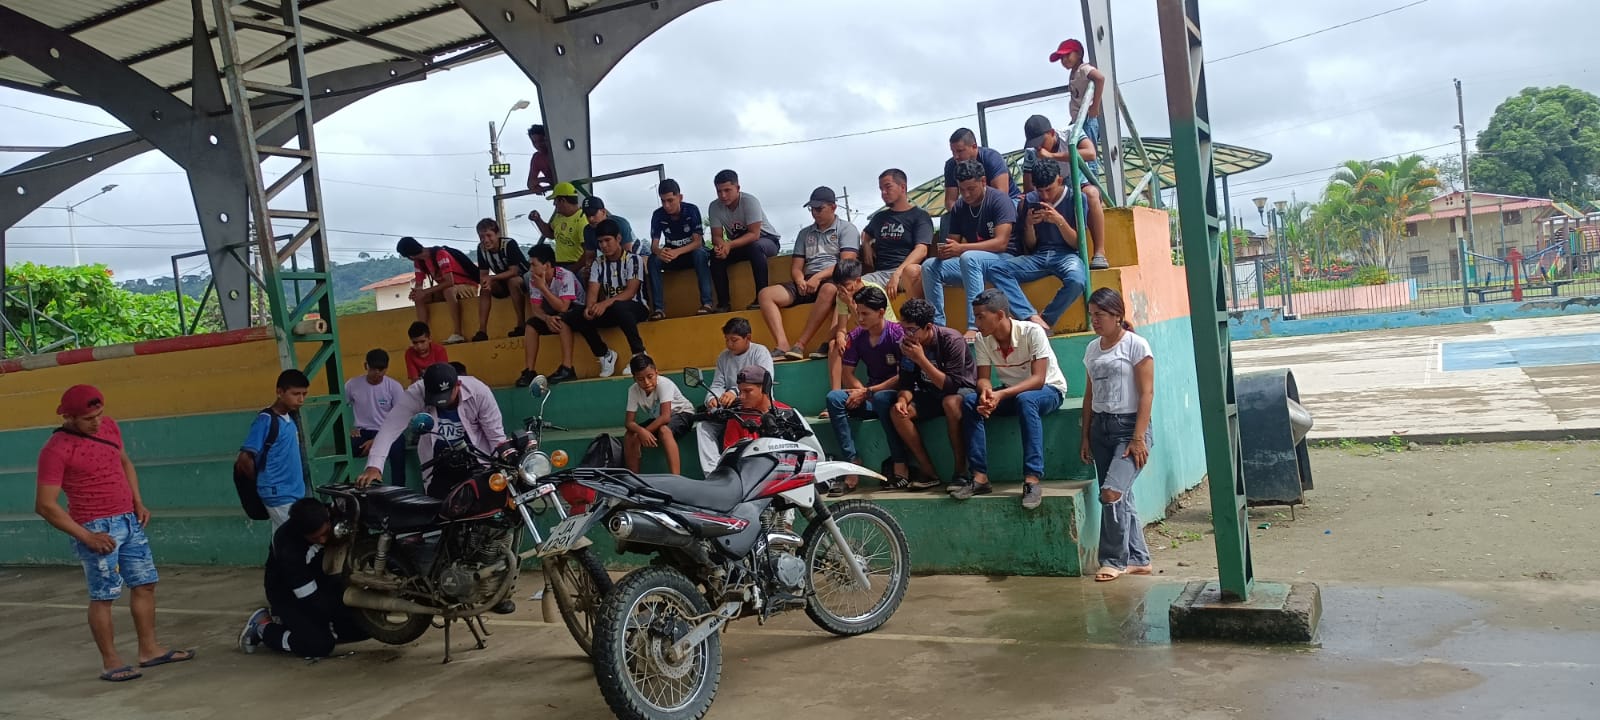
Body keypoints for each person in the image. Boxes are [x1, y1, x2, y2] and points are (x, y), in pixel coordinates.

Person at [35, 385, 194, 681]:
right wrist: (86, 537)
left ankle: (149, 650)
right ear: (68, 417)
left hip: (129, 519)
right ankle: (111, 662)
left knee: (145, 583)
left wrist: (137, 501)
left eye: (99, 414)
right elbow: (45, 505)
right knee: (104, 595)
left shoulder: (109, 427)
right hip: (95, 527)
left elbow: (124, 462)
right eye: (88, 419)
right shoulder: (56, 449)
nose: (96, 422)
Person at [954, 290, 1070, 510]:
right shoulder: (982, 339)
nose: (976, 323)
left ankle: (1032, 480)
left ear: (999, 315)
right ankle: (979, 477)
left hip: (1048, 390)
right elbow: (983, 378)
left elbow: (1038, 380)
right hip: (1011, 393)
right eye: (975, 317)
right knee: (970, 402)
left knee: (1026, 400)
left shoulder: (1032, 331)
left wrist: (1001, 395)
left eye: (980, 317)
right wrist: (987, 393)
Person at [1080, 287, 1155, 582]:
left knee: (1111, 493)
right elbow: (1089, 395)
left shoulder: (1136, 345)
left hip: (1130, 429)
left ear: (1117, 315)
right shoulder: (1092, 349)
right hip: (1100, 428)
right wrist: (1085, 436)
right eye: (1092, 315)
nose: (1095, 321)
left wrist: (1138, 437)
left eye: (1100, 314)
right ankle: (1138, 558)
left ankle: (1112, 559)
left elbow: (1147, 393)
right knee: (1121, 496)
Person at [238, 498, 369, 658]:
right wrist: (332, 616)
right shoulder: (288, 549)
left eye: (325, 533)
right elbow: (311, 599)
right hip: (289, 595)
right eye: (315, 538)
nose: (322, 540)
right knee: (318, 645)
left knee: (366, 626)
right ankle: (263, 628)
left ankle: (316, 628)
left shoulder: (330, 513)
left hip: (323, 582)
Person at [357, 363, 507, 499]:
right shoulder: (416, 393)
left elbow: (496, 436)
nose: (441, 403)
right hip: (438, 464)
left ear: (458, 385)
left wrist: (503, 464)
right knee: (438, 508)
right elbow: (390, 427)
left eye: (446, 397)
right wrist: (374, 466)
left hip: (476, 461)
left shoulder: (479, 392)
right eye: (436, 398)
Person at [822, 287, 908, 496]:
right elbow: (847, 371)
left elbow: (903, 377)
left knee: (882, 398)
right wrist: (860, 392)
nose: (859, 318)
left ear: (881, 312)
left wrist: (867, 392)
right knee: (834, 398)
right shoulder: (857, 335)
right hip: (869, 395)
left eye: (865, 314)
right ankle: (852, 462)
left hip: (893, 395)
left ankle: (900, 463)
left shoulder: (897, 334)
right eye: (858, 313)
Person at [990, 155, 1090, 334]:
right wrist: (1029, 225)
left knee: (1077, 280)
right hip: (1039, 256)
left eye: (1049, 190)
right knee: (997, 269)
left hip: (1067, 255)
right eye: (1040, 190)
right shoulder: (1030, 200)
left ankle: (1046, 320)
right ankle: (1031, 317)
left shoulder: (1076, 198)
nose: (1044, 196)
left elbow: (1077, 244)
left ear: (1059, 181)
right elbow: (1030, 246)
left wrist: (1059, 221)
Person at [760, 186, 859, 361]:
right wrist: (799, 280)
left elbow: (846, 263)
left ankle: (800, 345)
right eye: (812, 209)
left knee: (829, 289)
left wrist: (818, 277)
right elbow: (796, 266)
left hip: (834, 278)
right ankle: (782, 346)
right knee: (766, 294)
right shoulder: (804, 233)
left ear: (833, 207)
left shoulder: (847, 229)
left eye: (819, 209)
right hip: (807, 280)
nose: (815, 213)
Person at [923, 159, 1018, 340]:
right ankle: (937, 327)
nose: (966, 194)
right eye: (962, 189)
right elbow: (953, 242)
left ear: (983, 181)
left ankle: (974, 326)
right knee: (929, 266)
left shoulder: (999, 200)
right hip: (972, 264)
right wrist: (945, 251)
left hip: (1004, 260)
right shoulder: (959, 206)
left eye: (971, 189)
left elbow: (1001, 243)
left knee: (969, 257)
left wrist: (961, 248)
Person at [888, 299, 977, 493]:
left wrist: (921, 359)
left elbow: (951, 385)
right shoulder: (907, 345)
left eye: (911, 330)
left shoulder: (951, 340)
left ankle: (961, 472)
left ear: (928, 327)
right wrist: (902, 400)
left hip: (961, 392)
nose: (906, 335)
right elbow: (906, 383)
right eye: (903, 329)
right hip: (931, 394)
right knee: (898, 412)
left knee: (950, 402)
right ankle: (929, 472)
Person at [1021, 114, 1108, 270]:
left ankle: (1099, 252)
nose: (1039, 148)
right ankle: (1033, 253)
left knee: (1091, 194)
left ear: (1052, 133)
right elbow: (1028, 187)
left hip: (1078, 184)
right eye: (1035, 144)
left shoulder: (1071, 134)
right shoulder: (1031, 152)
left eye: (1041, 142)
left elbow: (1091, 153)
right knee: (1024, 201)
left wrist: (1053, 156)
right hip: (1051, 192)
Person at [565, 219, 648, 378]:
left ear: (618, 238)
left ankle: (639, 354)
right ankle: (604, 354)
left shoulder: (633, 259)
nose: (603, 245)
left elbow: (630, 292)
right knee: (575, 315)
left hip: (636, 308)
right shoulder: (598, 263)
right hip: (612, 309)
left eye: (607, 240)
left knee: (619, 306)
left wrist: (604, 304)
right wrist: (589, 308)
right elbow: (592, 291)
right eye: (600, 242)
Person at [235, 370, 310, 529]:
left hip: (293, 492)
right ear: (279, 392)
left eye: (304, 394)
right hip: (279, 494)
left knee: (281, 539)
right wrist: (263, 482)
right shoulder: (266, 420)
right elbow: (244, 459)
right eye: (295, 394)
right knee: (298, 537)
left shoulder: (290, 418)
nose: (301, 399)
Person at [707, 169, 782, 312]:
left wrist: (729, 244)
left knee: (755, 247)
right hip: (739, 244)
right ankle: (723, 303)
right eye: (719, 191)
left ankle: (761, 297)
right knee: (714, 255)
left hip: (766, 240)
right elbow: (716, 236)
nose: (723, 195)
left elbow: (754, 234)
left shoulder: (749, 201)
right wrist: (721, 247)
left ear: (737, 188)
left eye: (727, 190)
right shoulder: (714, 206)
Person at [861, 168, 933, 299]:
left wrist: (898, 273)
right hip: (881, 274)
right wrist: (866, 245)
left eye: (888, 187)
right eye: (881, 189)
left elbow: (922, 250)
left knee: (912, 271)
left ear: (902, 187)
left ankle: (917, 312)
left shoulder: (920, 216)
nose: (883, 193)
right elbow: (866, 233)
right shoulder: (879, 217)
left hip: (906, 273)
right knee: (852, 287)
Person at [648, 178, 714, 319]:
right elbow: (654, 246)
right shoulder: (658, 214)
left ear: (680, 197)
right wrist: (660, 252)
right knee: (653, 260)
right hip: (672, 256)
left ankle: (707, 303)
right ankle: (658, 309)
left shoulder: (691, 210)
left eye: (670, 200)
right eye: (663, 201)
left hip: (690, 254)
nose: (666, 205)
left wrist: (677, 251)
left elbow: (697, 242)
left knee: (700, 254)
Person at [622, 354, 696, 475]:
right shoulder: (633, 390)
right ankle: (633, 478)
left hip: (683, 413)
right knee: (630, 435)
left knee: (664, 430)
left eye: (650, 376)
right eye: (640, 379)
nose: (646, 382)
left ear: (657, 373)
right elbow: (629, 422)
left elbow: (665, 417)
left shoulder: (664, 384)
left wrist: (643, 434)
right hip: (660, 418)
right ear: (634, 379)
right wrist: (641, 432)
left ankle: (676, 478)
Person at [397, 236, 480, 344]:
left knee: (448, 291)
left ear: (410, 256)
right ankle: (422, 337)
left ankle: (458, 333)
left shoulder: (440, 254)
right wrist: (416, 293)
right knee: (419, 298)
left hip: (468, 286)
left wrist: (424, 292)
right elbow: (419, 285)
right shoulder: (419, 262)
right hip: (449, 289)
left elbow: (449, 282)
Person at [518, 243, 579, 387]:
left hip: (576, 311)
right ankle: (529, 371)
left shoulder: (565, 275)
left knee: (562, 319)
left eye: (534, 265)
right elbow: (536, 309)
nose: (530, 269)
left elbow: (563, 307)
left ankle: (567, 368)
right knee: (531, 325)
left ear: (547, 265)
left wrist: (543, 288)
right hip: (553, 311)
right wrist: (546, 318)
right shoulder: (534, 279)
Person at [345, 349, 407, 486]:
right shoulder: (352, 385)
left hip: (388, 432)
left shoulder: (394, 387)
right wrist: (348, 428)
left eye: (381, 369)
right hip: (362, 432)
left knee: (398, 449)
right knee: (343, 449)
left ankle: (398, 489)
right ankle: (343, 489)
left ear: (386, 369)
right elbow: (339, 409)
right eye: (373, 369)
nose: (377, 373)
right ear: (365, 366)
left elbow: (400, 417)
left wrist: (376, 441)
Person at [822, 258, 897, 368]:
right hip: (863, 334)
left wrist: (850, 303)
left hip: (884, 333)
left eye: (846, 285)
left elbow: (870, 324)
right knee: (834, 345)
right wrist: (840, 338)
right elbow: (842, 328)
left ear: (857, 280)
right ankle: (840, 380)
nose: (843, 290)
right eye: (839, 287)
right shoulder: (841, 296)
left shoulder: (873, 291)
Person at [472, 218, 530, 341]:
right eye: (482, 237)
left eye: (489, 235)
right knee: (485, 287)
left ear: (497, 234)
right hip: (503, 282)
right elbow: (483, 274)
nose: (485, 240)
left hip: (524, 280)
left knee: (513, 281)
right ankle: (482, 331)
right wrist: (486, 281)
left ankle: (521, 325)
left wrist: (492, 278)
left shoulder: (509, 244)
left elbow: (514, 271)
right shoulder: (481, 249)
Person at [1049, 39, 1107, 151]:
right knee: (1078, 147)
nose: (1064, 60)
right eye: (1062, 58)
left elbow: (1100, 78)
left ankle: (1091, 163)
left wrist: (1095, 107)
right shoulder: (1074, 73)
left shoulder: (1084, 69)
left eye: (1067, 55)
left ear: (1079, 54)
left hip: (1087, 118)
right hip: (1079, 119)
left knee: (1087, 150)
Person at [705, 317, 775, 409]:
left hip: (759, 407)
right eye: (727, 340)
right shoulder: (723, 357)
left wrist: (734, 392)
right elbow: (718, 384)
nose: (729, 344)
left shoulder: (760, 352)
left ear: (748, 338)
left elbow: (763, 381)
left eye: (734, 340)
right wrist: (713, 397)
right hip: (733, 409)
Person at [943, 127, 1019, 211]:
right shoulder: (951, 165)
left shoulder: (992, 158)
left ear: (974, 146)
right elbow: (950, 202)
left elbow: (1002, 195)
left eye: (960, 151)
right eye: (953, 152)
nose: (956, 156)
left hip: (1010, 200)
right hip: (974, 206)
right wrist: (960, 214)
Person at [530, 181, 588, 273]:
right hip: (559, 265)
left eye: (555, 200)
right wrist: (538, 220)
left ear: (562, 201)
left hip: (576, 265)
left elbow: (588, 252)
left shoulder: (582, 220)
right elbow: (550, 234)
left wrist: (570, 271)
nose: (554, 204)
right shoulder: (559, 216)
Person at [404, 321, 449, 385]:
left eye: (422, 342)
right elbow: (414, 379)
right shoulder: (409, 353)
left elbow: (443, 375)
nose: (419, 346)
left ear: (429, 339)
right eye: (415, 343)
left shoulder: (439, 350)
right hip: (421, 385)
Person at [526, 124, 555, 193]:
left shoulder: (558, 151)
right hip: (560, 192)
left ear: (547, 138)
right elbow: (530, 184)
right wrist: (537, 185)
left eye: (541, 140)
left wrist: (541, 180)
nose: (538, 145)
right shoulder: (537, 158)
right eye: (534, 142)